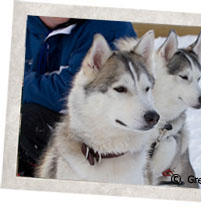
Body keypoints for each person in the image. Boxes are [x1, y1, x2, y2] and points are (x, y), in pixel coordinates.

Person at [18, 16, 137, 177]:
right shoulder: (19, 22)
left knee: (25, 118)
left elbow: (68, 92)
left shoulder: (109, 24)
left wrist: (20, 85)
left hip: (97, 136)